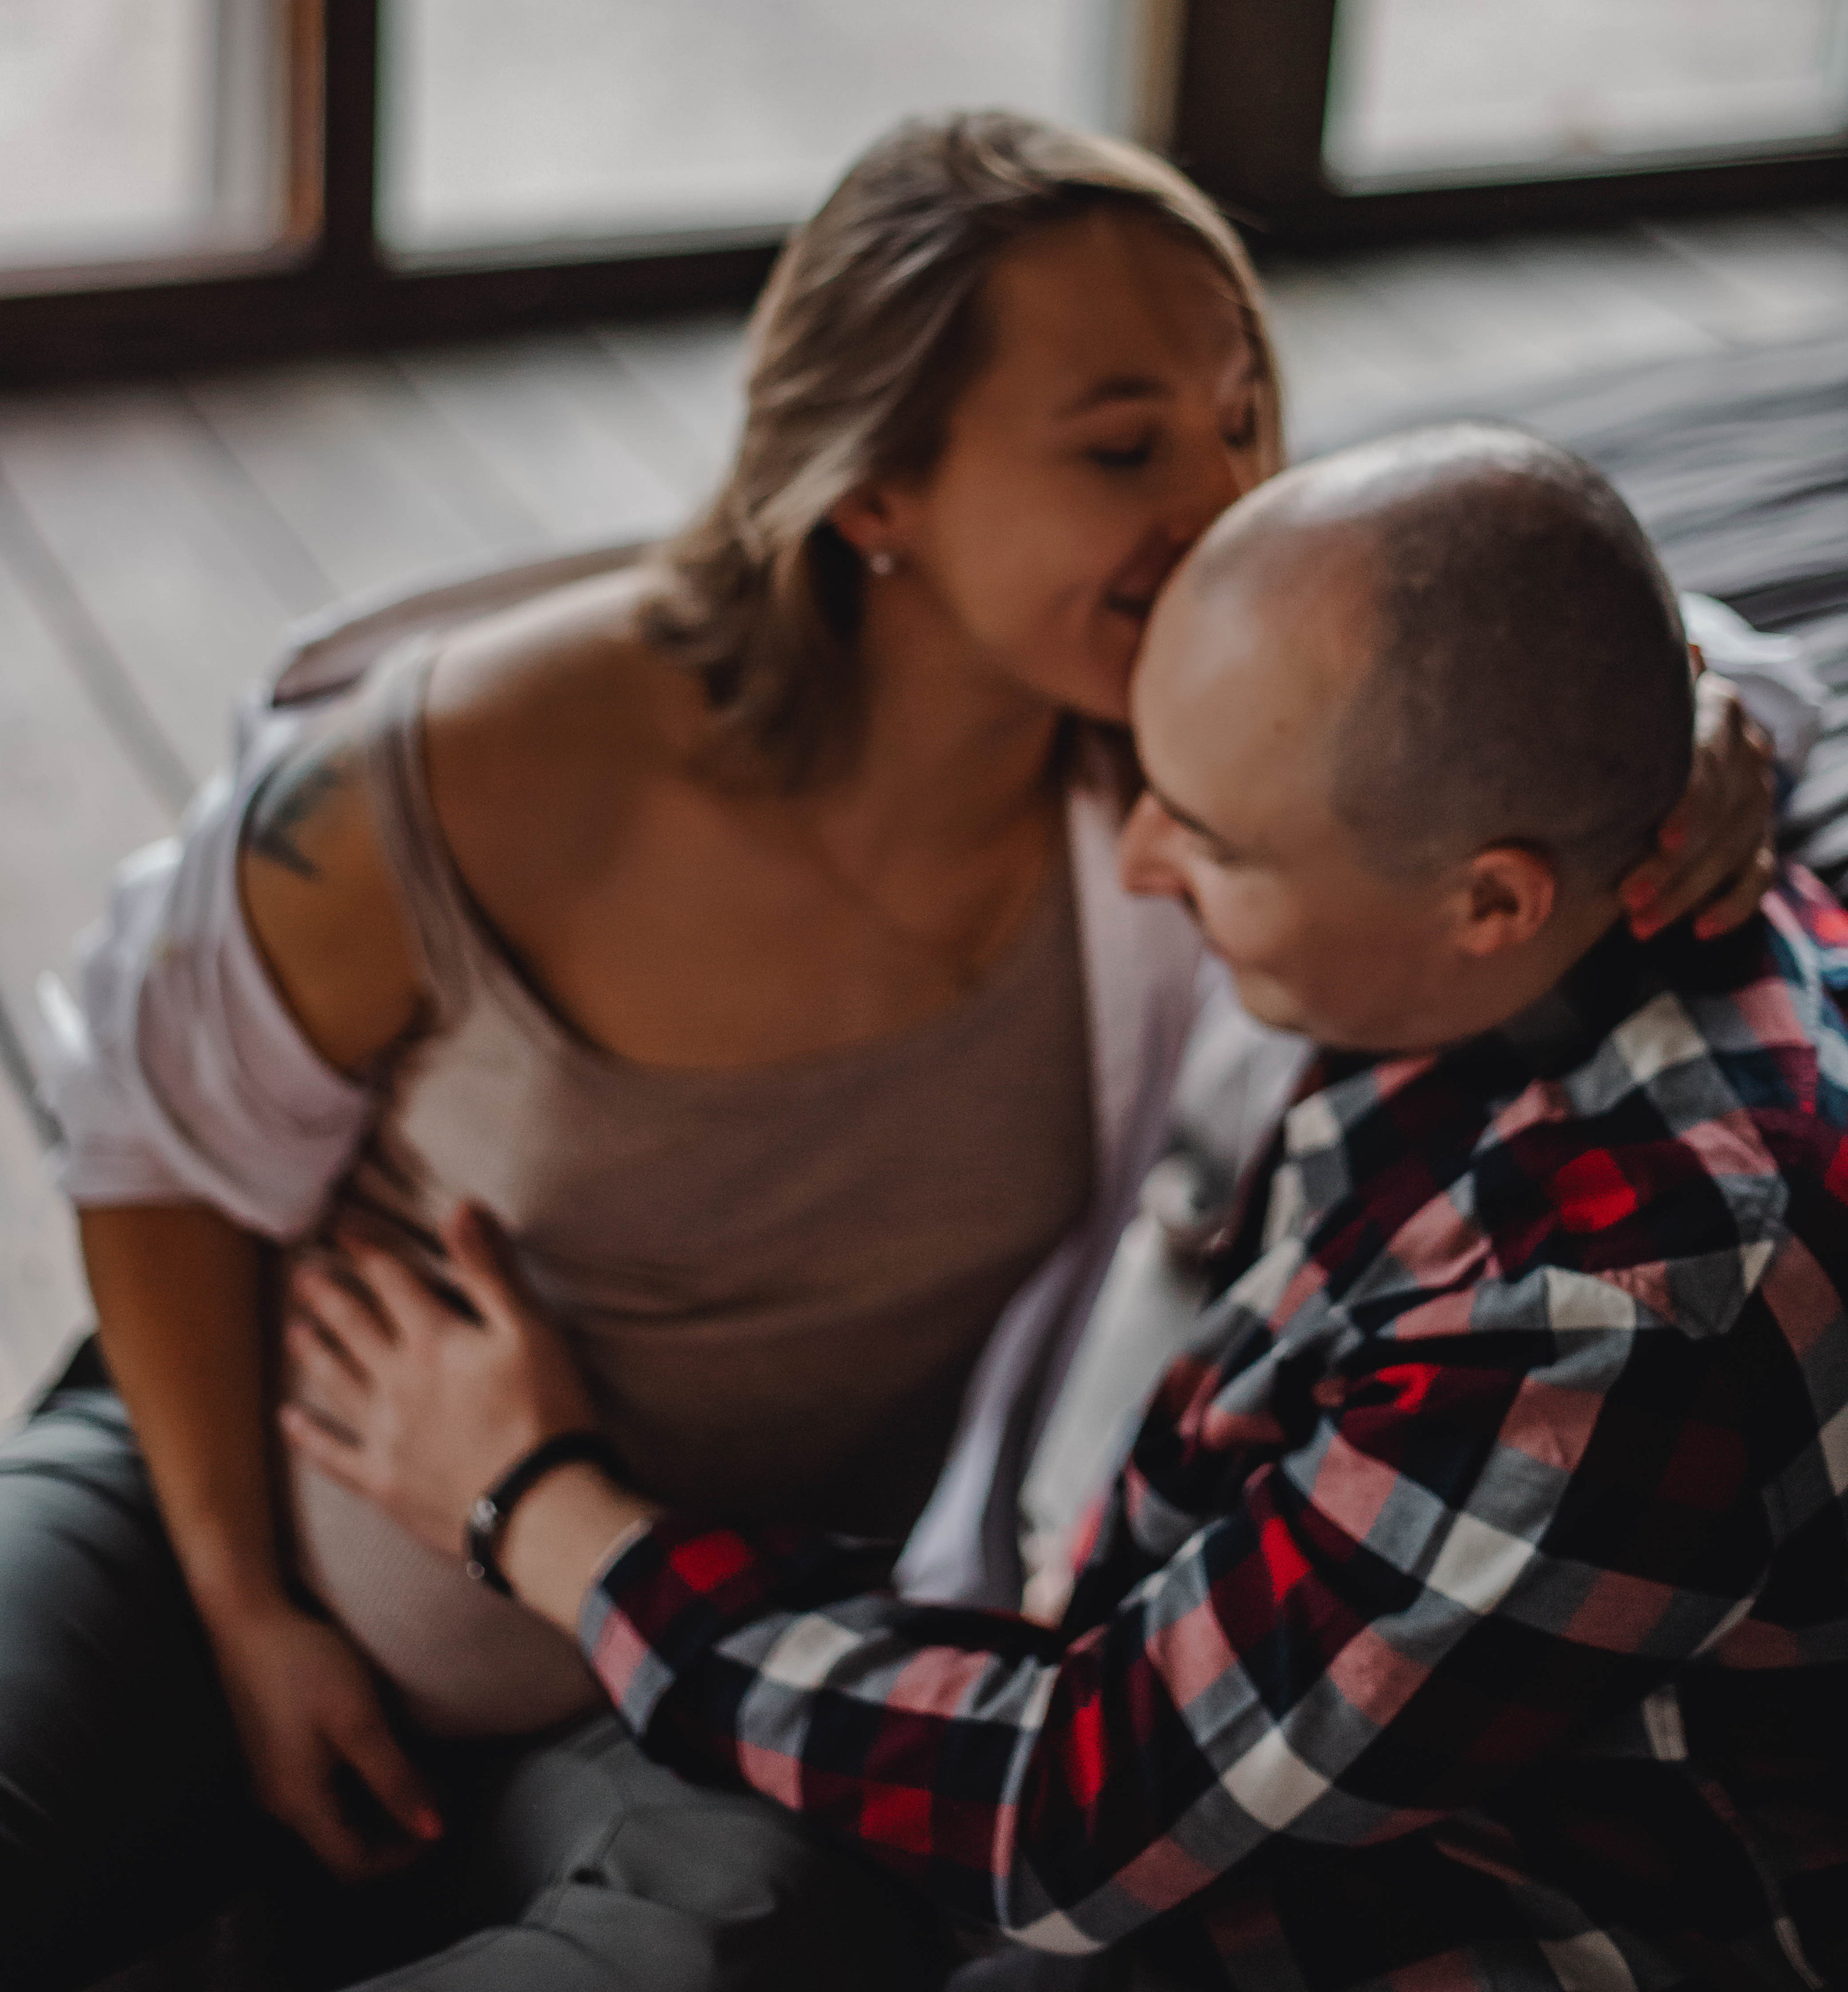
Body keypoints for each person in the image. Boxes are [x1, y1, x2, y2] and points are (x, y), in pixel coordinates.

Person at [0, 115, 1799, 1992]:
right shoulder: (473, 760)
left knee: (771, 1946)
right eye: (1125, 448)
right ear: (876, 492)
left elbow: (1475, 646)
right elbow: (147, 1131)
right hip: (217, 1508)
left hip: (704, 1651)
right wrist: (237, 1605)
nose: (1227, 493)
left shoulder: (1196, 785)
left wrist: (1698, 725)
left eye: (1246, 415)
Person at [291, 427, 1848, 1991]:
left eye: (1213, 837)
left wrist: (540, 1509)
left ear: (1489, 902)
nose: (1143, 855)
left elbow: (1071, 1816)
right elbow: (1526, 631)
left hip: (1518, 1899)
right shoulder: (1598, 832)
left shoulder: (1622, 1306)